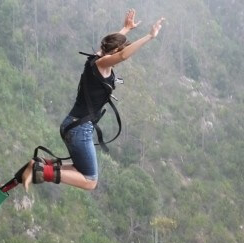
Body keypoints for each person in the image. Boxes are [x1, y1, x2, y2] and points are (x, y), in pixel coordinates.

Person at [22, 9, 165, 191]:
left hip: (73, 124)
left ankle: (41, 165)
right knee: (90, 180)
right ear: (113, 52)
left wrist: (126, 29)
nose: (119, 56)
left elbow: (111, 47)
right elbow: (121, 54)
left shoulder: (96, 58)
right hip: (80, 129)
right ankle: (39, 170)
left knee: (78, 171)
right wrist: (149, 36)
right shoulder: (101, 64)